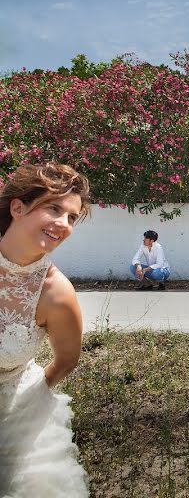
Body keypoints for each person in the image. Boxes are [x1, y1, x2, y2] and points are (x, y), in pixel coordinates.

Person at [0, 162, 91, 496]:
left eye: (72, 217)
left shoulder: (55, 292)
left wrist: (23, 403)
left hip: (11, 421)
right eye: (55, 208)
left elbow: (67, 360)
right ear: (18, 207)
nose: (63, 224)